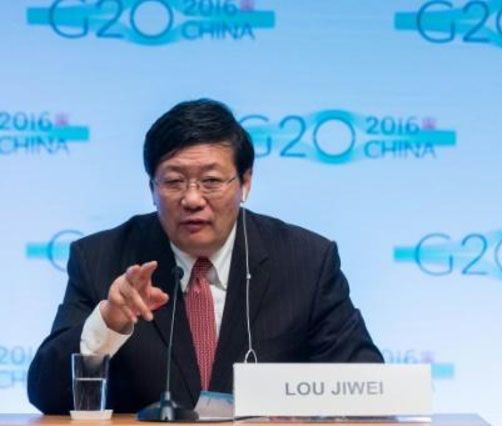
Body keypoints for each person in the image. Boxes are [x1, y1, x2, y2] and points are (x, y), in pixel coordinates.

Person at [27, 99, 383, 414]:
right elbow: (47, 395)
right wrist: (109, 322)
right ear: (151, 188)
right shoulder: (101, 258)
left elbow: (365, 387)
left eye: (211, 181)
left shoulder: (306, 261)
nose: (193, 199)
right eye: (174, 181)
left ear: (245, 183)